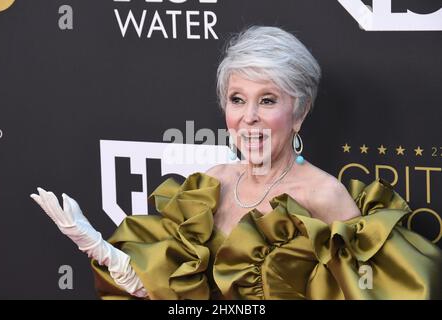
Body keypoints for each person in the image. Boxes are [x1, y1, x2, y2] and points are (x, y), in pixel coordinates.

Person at [31, 26, 442, 300]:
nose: (249, 117)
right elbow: (165, 292)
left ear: (299, 112)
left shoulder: (324, 195)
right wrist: (102, 252)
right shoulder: (211, 185)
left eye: (267, 100)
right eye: (237, 99)